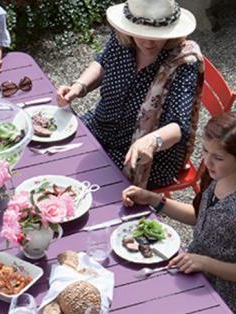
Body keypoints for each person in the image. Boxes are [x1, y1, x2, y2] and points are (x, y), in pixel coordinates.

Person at [121, 111, 236, 314]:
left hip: (229, 290)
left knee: (161, 312)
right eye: (205, 151)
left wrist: (204, 262)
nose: (207, 161)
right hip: (197, 263)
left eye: (217, 157)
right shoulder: (220, 174)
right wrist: (153, 199)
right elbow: (199, 216)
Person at [57, 0, 203, 189]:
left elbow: (178, 127)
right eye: (140, 34)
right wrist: (78, 87)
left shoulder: (183, 63)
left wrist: (152, 141)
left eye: (157, 36)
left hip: (141, 154)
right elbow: (102, 63)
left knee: (82, 186)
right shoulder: (122, 38)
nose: (148, 42)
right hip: (101, 125)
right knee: (57, 153)